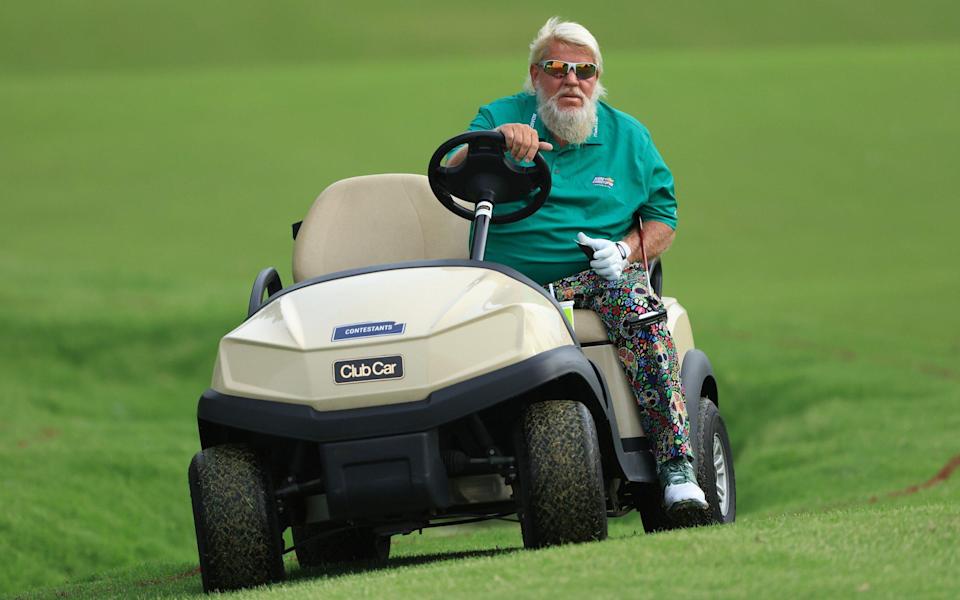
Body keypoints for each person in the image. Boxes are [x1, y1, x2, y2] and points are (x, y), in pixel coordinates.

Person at [457, 17, 707, 514]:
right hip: (510, 284)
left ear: (596, 79)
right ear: (534, 77)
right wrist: (495, 144)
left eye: (584, 70)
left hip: (599, 278)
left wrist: (627, 253)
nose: (571, 80)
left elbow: (663, 218)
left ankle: (675, 467)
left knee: (635, 303)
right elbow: (458, 170)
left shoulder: (628, 138)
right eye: (557, 68)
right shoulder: (500, 118)